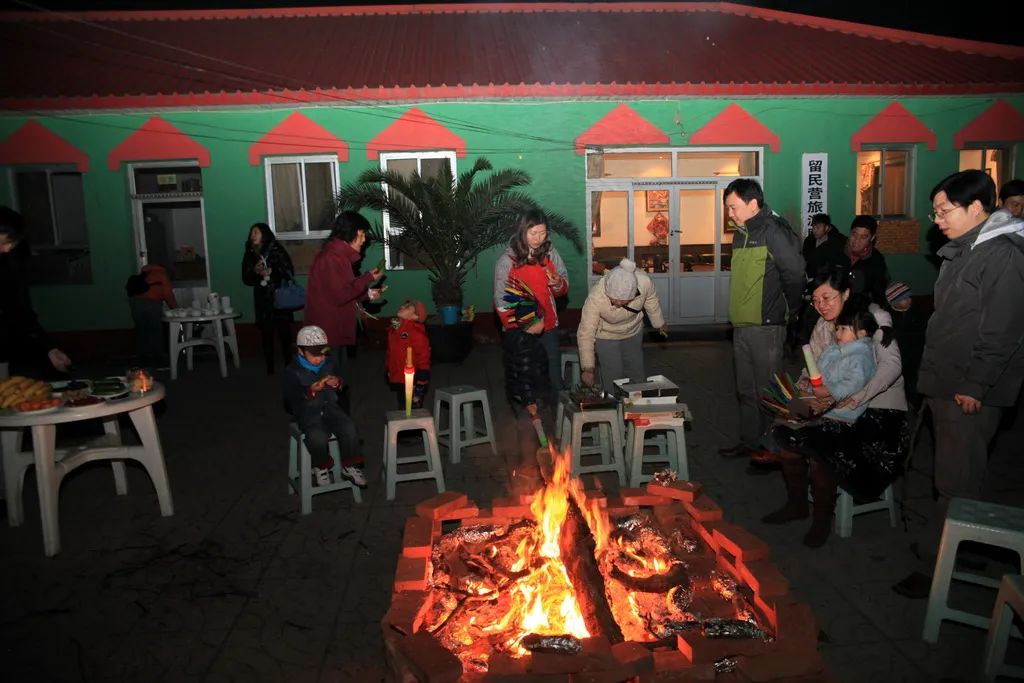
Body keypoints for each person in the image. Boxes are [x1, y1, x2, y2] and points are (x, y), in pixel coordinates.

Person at [894, 170, 1024, 598]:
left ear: (976, 207)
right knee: (965, 471)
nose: (937, 220)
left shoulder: (1001, 255)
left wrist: (976, 384)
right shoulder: (966, 249)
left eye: (944, 210)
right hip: (947, 380)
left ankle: (936, 569)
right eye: (935, 211)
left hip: (966, 390)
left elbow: (1003, 330)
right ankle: (968, 549)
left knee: (954, 481)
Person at [765, 299, 880, 548]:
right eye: (837, 328)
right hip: (819, 412)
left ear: (862, 334)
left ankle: (822, 519)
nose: (838, 333)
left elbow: (851, 384)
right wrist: (805, 386)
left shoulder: (861, 356)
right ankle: (797, 504)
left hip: (843, 421)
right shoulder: (833, 350)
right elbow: (816, 372)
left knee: (820, 461)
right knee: (787, 447)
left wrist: (828, 392)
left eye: (844, 329)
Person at [717, 179, 805, 464]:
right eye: (728, 208)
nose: (730, 213)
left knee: (770, 391)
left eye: (733, 207)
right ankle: (750, 441)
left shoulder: (774, 232)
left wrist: (791, 311)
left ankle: (775, 448)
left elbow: (795, 274)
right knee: (746, 391)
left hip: (766, 326)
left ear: (753, 204)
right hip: (742, 326)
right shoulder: (740, 234)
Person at [305, 210, 385, 414]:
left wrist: (369, 294)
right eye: (362, 234)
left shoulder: (337, 256)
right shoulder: (332, 258)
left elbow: (343, 292)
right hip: (328, 332)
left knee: (338, 380)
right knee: (332, 384)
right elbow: (342, 294)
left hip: (332, 330)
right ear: (352, 232)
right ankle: (336, 424)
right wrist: (367, 278)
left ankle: (339, 423)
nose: (364, 239)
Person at [494, 209, 569, 409]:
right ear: (522, 231)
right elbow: (501, 301)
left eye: (542, 233)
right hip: (520, 331)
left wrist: (557, 284)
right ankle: (530, 422)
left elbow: (563, 283)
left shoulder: (550, 253)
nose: (538, 239)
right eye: (533, 233)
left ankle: (560, 419)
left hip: (548, 326)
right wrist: (525, 326)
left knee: (554, 378)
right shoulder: (507, 261)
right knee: (527, 381)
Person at [283, 325, 367, 488]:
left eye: (322, 354)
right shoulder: (292, 371)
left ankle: (349, 465)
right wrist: (310, 391)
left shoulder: (329, 363)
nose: (319, 358)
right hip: (308, 413)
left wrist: (337, 382)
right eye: (314, 355)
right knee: (317, 436)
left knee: (349, 427)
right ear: (301, 351)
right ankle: (321, 466)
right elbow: (290, 398)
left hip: (331, 408)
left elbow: (343, 380)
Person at [0, 206, 72, 378]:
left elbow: (21, 309)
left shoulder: (9, 265)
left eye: (11, 244)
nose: (7, 249)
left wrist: (50, 348)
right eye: (3, 242)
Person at [577, 258, 666, 395]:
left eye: (624, 301)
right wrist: (588, 368)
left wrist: (659, 322)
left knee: (636, 370)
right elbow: (586, 333)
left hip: (633, 330)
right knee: (613, 374)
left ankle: (637, 402)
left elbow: (651, 300)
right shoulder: (596, 298)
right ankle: (614, 402)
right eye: (614, 300)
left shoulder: (644, 282)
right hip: (606, 335)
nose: (618, 304)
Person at [241, 222, 296, 374]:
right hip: (263, 299)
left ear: (264, 235)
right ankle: (270, 367)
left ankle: (289, 363)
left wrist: (273, 271)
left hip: (279, 296)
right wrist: (256, 271)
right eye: (251, 233)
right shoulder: (250, 253)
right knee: (266, 334)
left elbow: (289, 271)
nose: (252, 236)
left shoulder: (276, 250)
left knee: (285, 333)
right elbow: (246, 278)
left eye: (256, 233)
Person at [126, 263, 177, 367]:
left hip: (135, 302)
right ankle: (158, 358)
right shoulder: (162, 274)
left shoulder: (146, 272)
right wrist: (176, 310)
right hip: (152, 303)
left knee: (141, 330)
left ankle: (143, 357)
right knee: (155, 330)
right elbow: (168, 295)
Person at [386, 300, 431, 410]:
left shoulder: (416, 333)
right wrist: (389, 367)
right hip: (399, 377)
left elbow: (423, 356)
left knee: (413, 409)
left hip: (413, 378)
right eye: (403, 305)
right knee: (402, 406)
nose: (402, 307)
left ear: (415, 316)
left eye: (407, 307)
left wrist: (422, 376)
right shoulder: (395, 329)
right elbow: (391, 351)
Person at [839, 215, 889, 306]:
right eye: (854, 234)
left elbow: (879, 294)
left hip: (861, 307)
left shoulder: (877, 260)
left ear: (872, 238)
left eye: (863, 237)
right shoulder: (836, 249)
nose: (857, 241)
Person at [801, 213, 847, 280]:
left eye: (818, 227)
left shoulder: (838, 241)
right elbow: (805, 259)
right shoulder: (809, 240)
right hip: (811, 279)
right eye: (813, 227)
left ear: (826, 227)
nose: (814, 230)